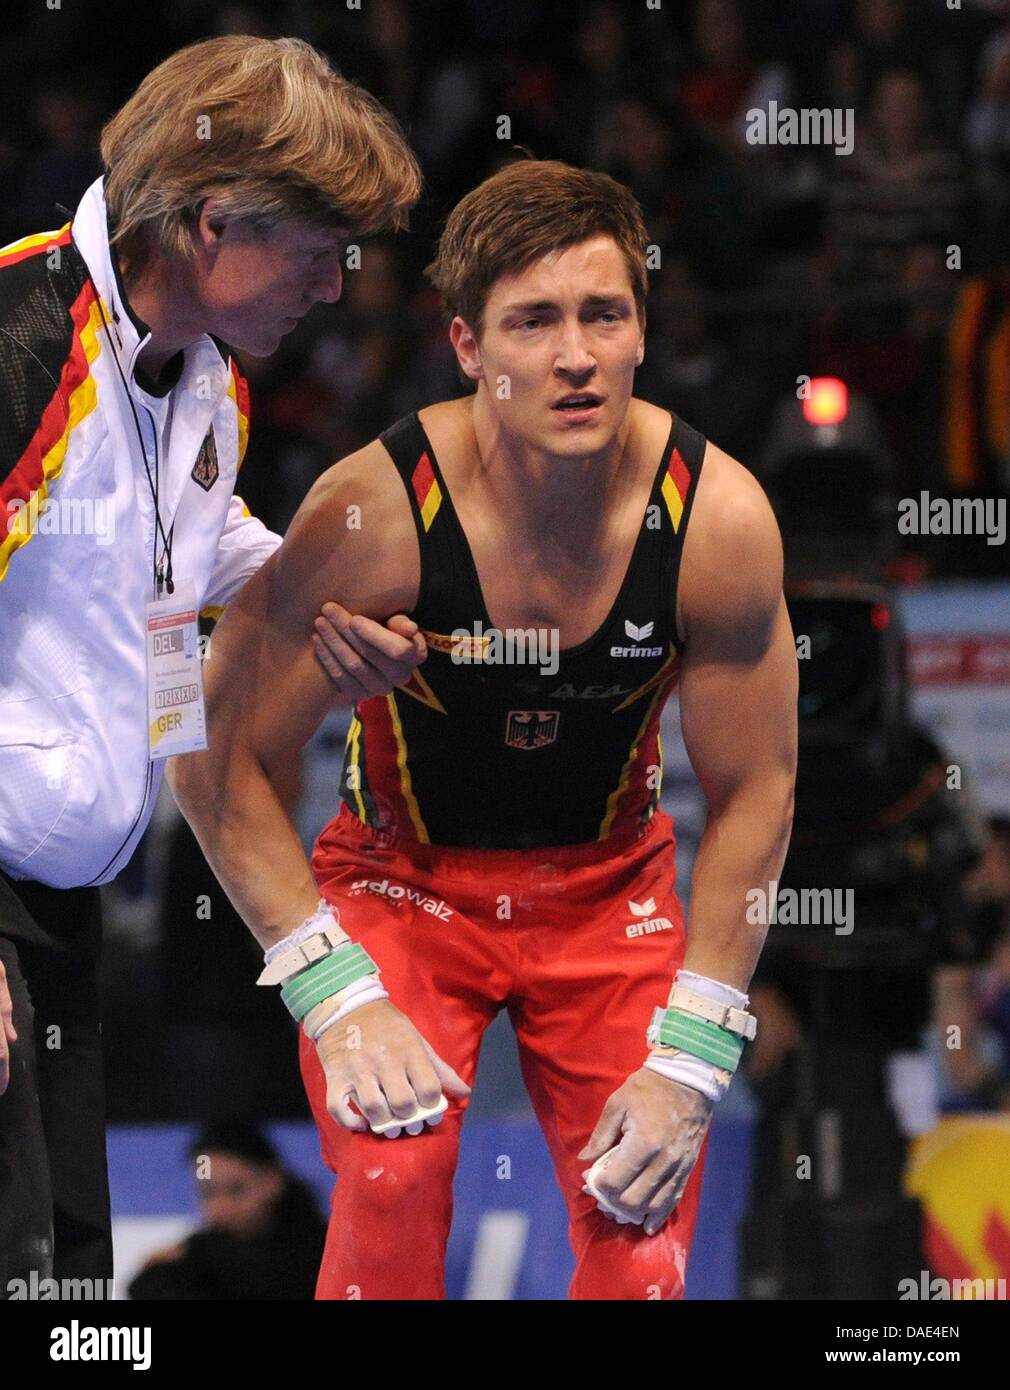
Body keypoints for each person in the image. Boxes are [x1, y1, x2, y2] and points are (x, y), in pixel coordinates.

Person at [171, 159, 798, 1300]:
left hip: (612, 894)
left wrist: (694, 1051)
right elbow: (212, 758)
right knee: (391, 1176)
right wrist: (335, 994)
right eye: (532, 322)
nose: (574, 356)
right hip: (400, 886)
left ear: (642, 332)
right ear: (466, 347)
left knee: (643, 1223)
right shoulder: (371, 515)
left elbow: (757, 789)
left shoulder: (718, 520)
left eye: (604, 314)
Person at [0, 34, 426, 1295]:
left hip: (59, 908)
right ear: (211, 222)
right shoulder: (25, 350)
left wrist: (313, 601)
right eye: (315, 250)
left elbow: (190, 534)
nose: (335, 287)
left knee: (72, 1282)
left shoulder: (206, 382)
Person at [128, 1122, 327, 1301]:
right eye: (208, 1193)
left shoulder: (322, 1250)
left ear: (272, 1181)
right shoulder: (200, 1251)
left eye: (235, 1190)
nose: (220, 1207)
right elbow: (144, 1287)